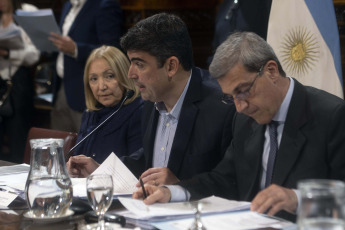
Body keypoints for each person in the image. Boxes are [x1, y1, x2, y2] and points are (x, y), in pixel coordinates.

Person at [133, 32, 345, 222]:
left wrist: (297, 199)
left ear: (271, 71)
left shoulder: (332, 116)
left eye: (243, 91)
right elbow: (224, 179)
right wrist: (172, 192)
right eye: (231, 97)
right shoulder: (244, 120)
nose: (239, 106)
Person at [67, 13, 236, 187]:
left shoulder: (223, 106)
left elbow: (232, 181)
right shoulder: (151, 101)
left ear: (171, 66)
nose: (130, 74)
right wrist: (103, 171)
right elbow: (149, 160)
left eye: (139, 64)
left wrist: (180, 187)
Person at [65, 46, 143, 174]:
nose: (101, 87)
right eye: (94, 79)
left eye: (110, 76)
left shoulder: (139, 112)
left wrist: (100, 171)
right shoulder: (90, 114)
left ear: (125, 75)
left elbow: (138, 168)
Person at [49, 0, 123, 133]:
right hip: (61, 86)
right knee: (60, 146)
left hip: (86, 90)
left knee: (85, 147)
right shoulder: (67, 5)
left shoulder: (105, 5)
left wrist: (75, 49)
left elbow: (112, 50)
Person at [0, 0, 40, 163]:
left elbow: (35, 54)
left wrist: (9, 53)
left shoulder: (28, 11)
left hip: (19, 82)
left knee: (19, 140)